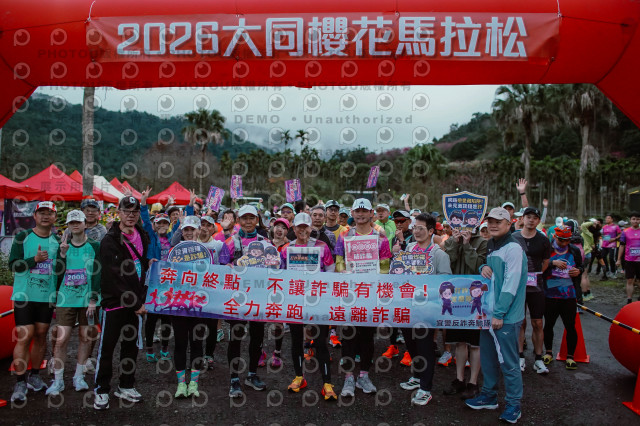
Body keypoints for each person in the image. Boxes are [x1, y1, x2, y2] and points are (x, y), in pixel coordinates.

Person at [466, 207, 527, 424]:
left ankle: (513, 405)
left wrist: (500, 313)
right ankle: (489, 396)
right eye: (490, 221)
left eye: (498, 222)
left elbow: (511, 283)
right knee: (489, 359)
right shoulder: (492, 244)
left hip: (505, 317)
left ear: (509, 224)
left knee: (509, 362)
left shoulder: (513, 248)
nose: (493, 225)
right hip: (489, 313)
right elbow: (493, 273)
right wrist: (483, 265)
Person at [94, 196, 154, 410]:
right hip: (116, 303)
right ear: (118, 212)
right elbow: (113, 278)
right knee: (107, 348)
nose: (131, 215)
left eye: (134, 211)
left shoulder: (142, 234)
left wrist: (150, 263)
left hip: (136, 303)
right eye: (126, 211)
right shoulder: (110, 240)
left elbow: (142, 262)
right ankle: (101, 389)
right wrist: (135, 303)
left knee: (131, 347)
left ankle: (126, 385)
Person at [335, 198, 392, 398]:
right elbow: (339, 261)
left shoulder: (380, 237)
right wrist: (343, 272)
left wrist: (375, 280)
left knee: (367, 336)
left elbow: (385, 265)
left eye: (364, 211)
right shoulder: (344, 235)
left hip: (370, 294)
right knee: (348, 336)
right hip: (350, 294)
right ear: (352, 213)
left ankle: (364, 376)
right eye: (357, 211)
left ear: (371, 214)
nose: (360, 214)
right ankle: (349, 378)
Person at [219, 204, 276, 398]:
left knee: (257, 337)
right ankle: (234, 379)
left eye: (252, 218)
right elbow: (220, 268)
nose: (249, 221)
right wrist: (227, 267)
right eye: (245, 218)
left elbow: (276, 267)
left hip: (258, 297)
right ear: (238, 220)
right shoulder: (230, 242)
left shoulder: (265, 242)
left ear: (257, 220)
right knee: (235, 338)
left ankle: (252, 374)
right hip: (237, 298)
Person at [280, 213, 337, 400]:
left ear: (311, 228)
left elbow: (331, 272)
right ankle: (299, 377)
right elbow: (280, 274)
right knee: (296, 341)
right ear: (294, 229)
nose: (303, 230)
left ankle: (327, 383)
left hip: (318, 302)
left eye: (306, 226)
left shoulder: (322, 247)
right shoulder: (286, 249)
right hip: (295, 301)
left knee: (320, 342)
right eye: (299, 227)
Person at [9, 201, 60, 403]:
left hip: (46, 297)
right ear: (35, 216)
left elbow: (60, 270)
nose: (45, 216)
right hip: (24, 296)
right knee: (25, 335)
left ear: (55, 217)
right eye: (42, 213)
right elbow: (13, 265)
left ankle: (35, 376)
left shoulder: (58, 241)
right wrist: (34, 261)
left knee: (40, 335)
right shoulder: (23, 237)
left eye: (50, 213)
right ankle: (20, 381)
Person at [399, 213, 452, 406]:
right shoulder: (409, 248)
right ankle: (417, 375)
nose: (416, 231)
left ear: (431, 231)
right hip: (408, 306)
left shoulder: (439, 254)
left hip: (427, 309)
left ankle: (425, 388)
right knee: (410, 343)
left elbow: (446, 283)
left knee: (424, 346)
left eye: (421, 228)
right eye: (415, 227)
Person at [47, 210, 101, 395]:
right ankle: (58, 380)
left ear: (85, 223)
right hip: (66, 299)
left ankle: (79, 376)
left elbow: (98, 272)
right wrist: (62, 255)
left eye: (78, 222)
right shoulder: (63, 246)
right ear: (68, 226)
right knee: (61, 339)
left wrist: (93, 298)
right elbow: (57, 273)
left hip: (87, 300)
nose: (75, 225)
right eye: (72, 222)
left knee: (86, 337)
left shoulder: (95, 245)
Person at [442, 220, 488, 399]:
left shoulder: (482, 242)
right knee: (459, 342)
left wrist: (467, 245)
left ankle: (473, 383)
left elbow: (477, 267)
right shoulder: (450, 241)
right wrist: (455, 243)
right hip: (455, 299)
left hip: (475, 299)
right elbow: (448, 263)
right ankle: (459, 379)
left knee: (475, 344)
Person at [512, 207, 551, 374]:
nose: (531, 220)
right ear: (523, 218)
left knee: (538, 322)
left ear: (538, 221)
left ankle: (538, 358)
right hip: (517, 286)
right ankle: (520, 356)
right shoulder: (513, 238)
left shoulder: (543, 240)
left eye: (535, 217)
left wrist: (535, 274)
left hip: (537, 286)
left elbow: (546, 262)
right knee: (520, 322)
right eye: (528, 217)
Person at [542, 225, 583, 369]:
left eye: (567, 240)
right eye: (561, 240)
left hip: (569, 295)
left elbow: (581, 266)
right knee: (549, 324)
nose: (564, 243)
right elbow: (538, 266)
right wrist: (552, 263)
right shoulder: (547, 249)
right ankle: (548, 352)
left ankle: (570, 356)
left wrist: (578, 271)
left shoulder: (574, 250)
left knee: (570, 326)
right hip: (550, 294)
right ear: (554, 237)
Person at [140, 187, 172, 363]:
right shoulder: (151, 237)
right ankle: (150, 348)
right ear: (155, 225)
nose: (161, 226)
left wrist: (190, 207)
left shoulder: (173, 238)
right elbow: (145, 221)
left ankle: (165, 347)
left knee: (167, 317)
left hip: (169, 283)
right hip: (152, 282)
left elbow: (184, 229)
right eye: (158, 223)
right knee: (151, 317)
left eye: (164, 223)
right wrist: (143, 202)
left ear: (168, 225)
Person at [617, 212, 640, 304]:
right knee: (630, 280)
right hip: (629, 260)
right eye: (633, 219)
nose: (635, 221)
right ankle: (629, 300)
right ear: (630, 220)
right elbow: (622, 246)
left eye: (638, 219)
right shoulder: (625, 232)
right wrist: (619, 259)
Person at [601, 214, 621, 279]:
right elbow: (602, 235)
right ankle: (607, 270)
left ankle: (613, 272)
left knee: (611, 258)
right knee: (603, 257)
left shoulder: (615, 226)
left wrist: (615, 238)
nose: (607, 219)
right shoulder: (604, 227)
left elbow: (620, 234)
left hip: (612, 244)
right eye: (606, 218)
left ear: (612, 219)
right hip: (604, 244)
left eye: (608, 218)